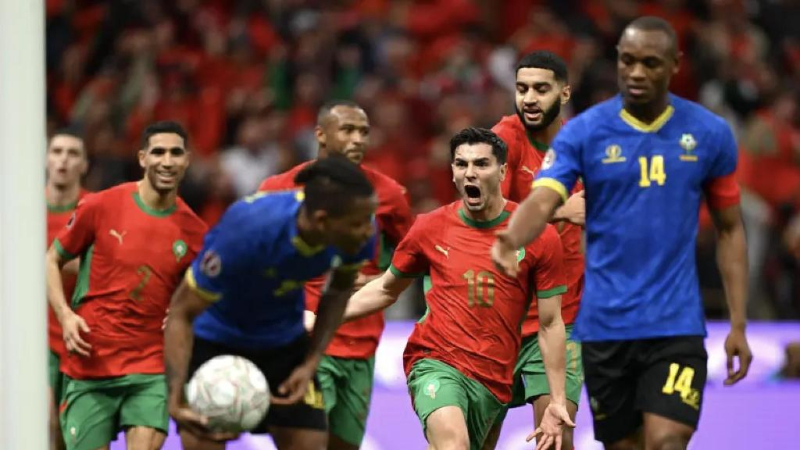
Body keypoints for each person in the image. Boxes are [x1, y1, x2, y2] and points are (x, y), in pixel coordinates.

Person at [492, 17, 752, 450]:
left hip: (675, 324)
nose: (636, 72)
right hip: (604, 327)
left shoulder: (708, 133)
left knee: (667, 439)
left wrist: (738, 322)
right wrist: (511, 237)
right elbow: (542, 198)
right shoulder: (585, 132)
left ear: (674, 64)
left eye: (650, 63)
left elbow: (729, 229)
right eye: (627, 61)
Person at [315, 127, 574, 450]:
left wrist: (557, 400)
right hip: (435, 360)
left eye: (481, 164)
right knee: (453, 445)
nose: (470, 173)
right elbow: (386, 289)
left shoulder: (538, 236)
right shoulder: (430, 227)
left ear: (502, 171)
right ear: (452, 171)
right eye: (461, 164)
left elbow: (550, 323)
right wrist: (325, 316)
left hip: (495, 379)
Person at [164, 156, 378, 450]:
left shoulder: (356, 234)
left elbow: (339, 291)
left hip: (283, 343)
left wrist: (311, 362)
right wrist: (175, 395)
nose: (368, 232)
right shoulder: (246, 232)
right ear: (321, 221)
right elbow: (181, 313)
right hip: (215, 339)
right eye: (358, 224)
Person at [258, 101, 414, 450]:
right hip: (303, 338)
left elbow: (412, 259)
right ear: (320, 134)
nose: (358, 139)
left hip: (362, 344)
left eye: (363, 132)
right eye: (347, 130)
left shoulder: (388, 194)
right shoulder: (278, 188)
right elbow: (255, 260)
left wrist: (374, 281)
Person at [45, 121, 207, 450]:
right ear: (142, 158)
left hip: (150, 368)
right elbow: (52, 260)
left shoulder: (195, 232)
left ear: (187, 160)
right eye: (158, 152)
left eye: (175, 153)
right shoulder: (101, 205)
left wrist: (185, 313)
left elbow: (206, 295)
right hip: (90, 362)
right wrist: (65, 315)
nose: (167, 161)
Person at [484, 51, 584, 450]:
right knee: (479, 441)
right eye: (522, 88)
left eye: (541, 89)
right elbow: (488, 221)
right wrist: (561, 211)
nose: (528, 98)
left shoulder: (581, 144)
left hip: (561, 315)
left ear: (564, 93)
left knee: (557, 439)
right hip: (500, 318)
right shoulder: (504, 139)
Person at [45, 127, 89, 450]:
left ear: (84, 165)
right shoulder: (19, 208)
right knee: (45, 419)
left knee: (66, 432)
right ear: (46, 159)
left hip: (78, 333)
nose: (63, 160)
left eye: (73, 153)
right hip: (33, 336)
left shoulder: (93, 209)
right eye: (57, 151)